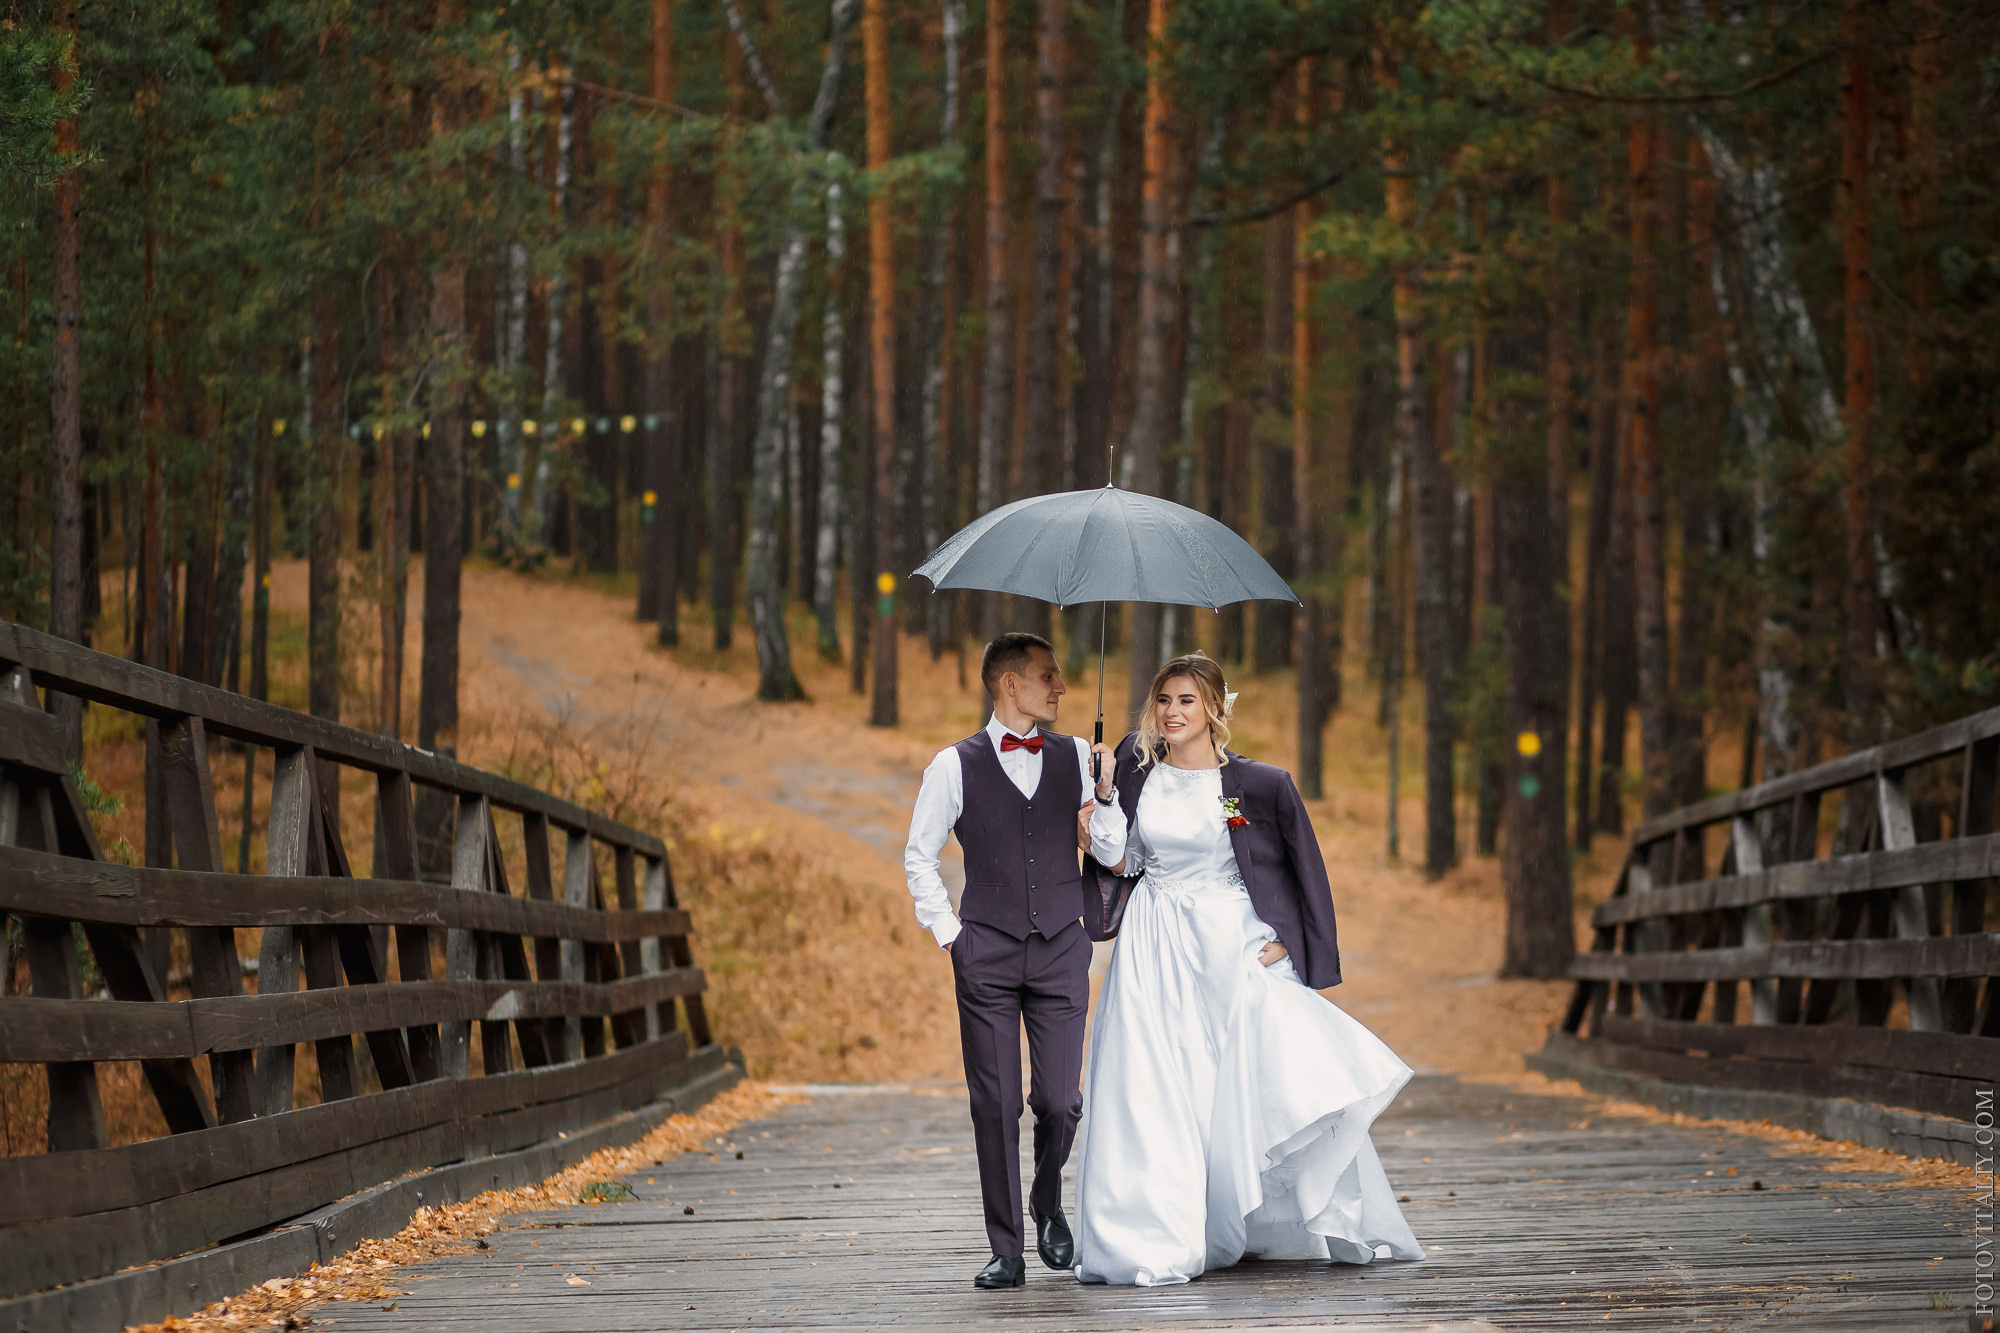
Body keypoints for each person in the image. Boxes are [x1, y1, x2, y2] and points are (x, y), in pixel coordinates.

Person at [1073, 650, 1424, 1287]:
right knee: (1150, 1085)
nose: (1172, 712)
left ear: (1214, 708)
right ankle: (1155, 1232)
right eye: (1163, 700)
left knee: (1258, 1077)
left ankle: (1268, 1217)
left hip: (1230, 942)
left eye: (1186, 700)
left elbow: (1293, 868)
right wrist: (1101, 796)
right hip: (1154, 945)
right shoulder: (1132, 771)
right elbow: (1121, 860)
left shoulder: (1253, 786)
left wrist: (1289, 937)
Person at [902, 632, 1128, 1289]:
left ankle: (1046, 1197)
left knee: (1060, 1099)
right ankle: (1006, 1247)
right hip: (987, 953)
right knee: (995, 1102)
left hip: (1062, 946)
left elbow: (1111, 854)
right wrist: (951, 935)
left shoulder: (1080, 757)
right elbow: (919, 854)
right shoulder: (953, 764)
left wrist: (1107, 793)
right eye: (1046, 676)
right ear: (1009, 685)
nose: (1060, 687)